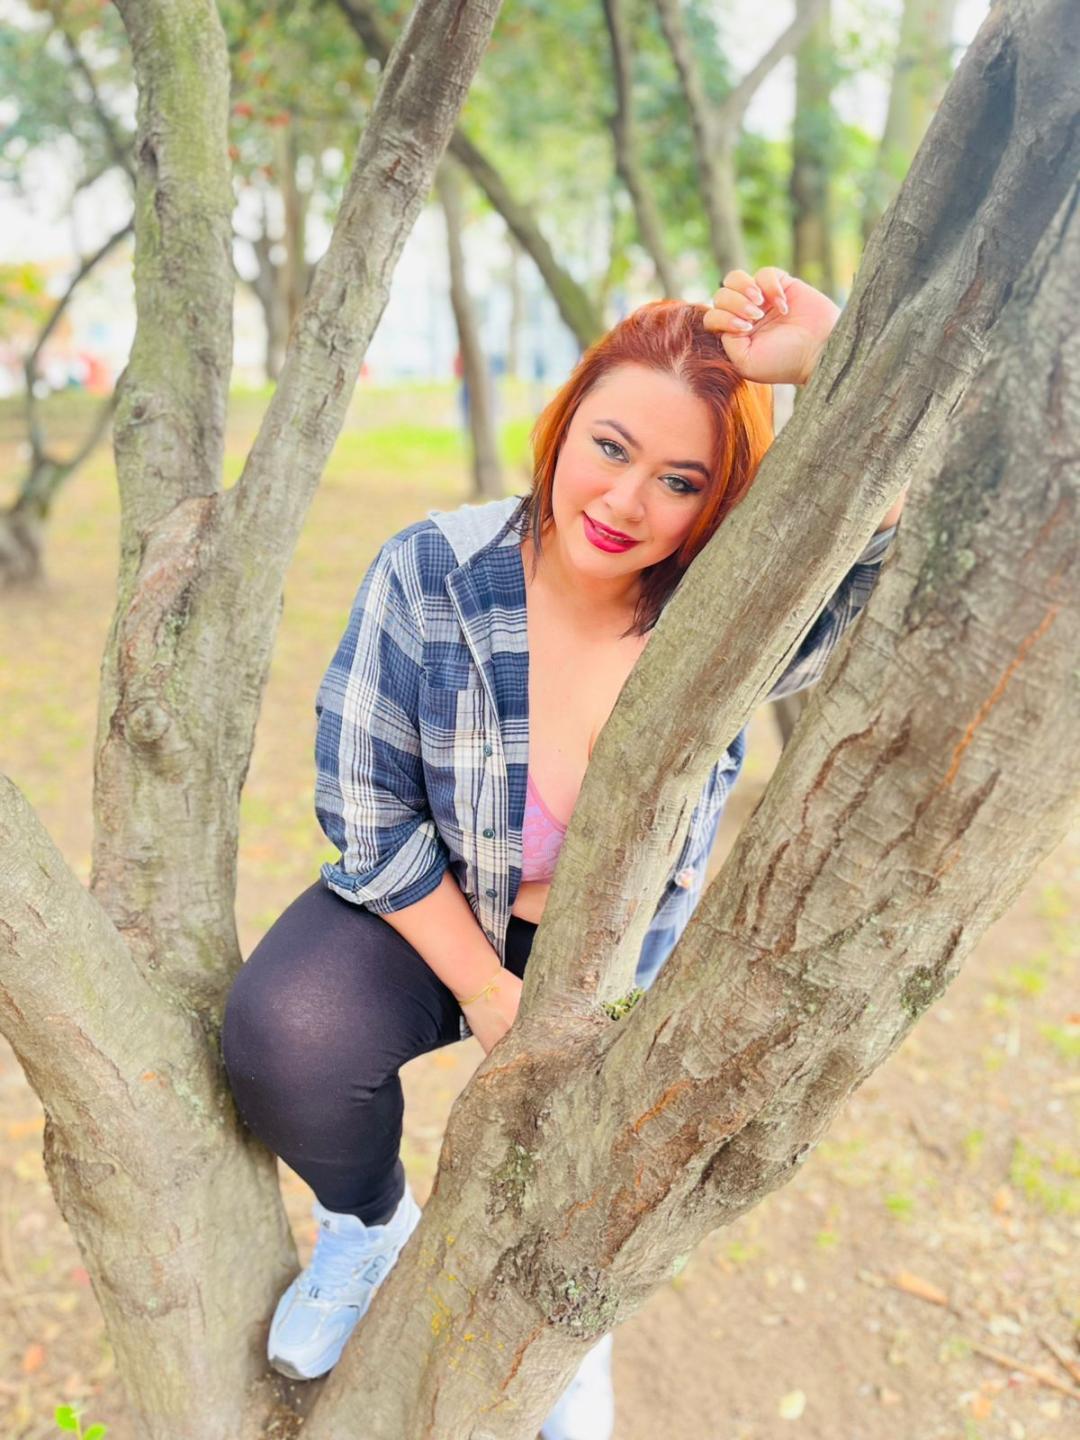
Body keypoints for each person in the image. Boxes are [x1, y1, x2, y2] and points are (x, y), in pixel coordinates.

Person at [221, 266, 904, 1438]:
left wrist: (836, 357)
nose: (626, 500)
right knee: (287, 1033)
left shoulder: (723, 614)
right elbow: (368, 812)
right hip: (435, 901)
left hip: (611, 948)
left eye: (680, 481)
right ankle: (366, 1231)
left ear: (719, 501)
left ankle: (564, 1336)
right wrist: (489, 993)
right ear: (566, 418)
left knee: (593, 1155)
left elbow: (897, 545)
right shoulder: (431, 571)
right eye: (610, 446)